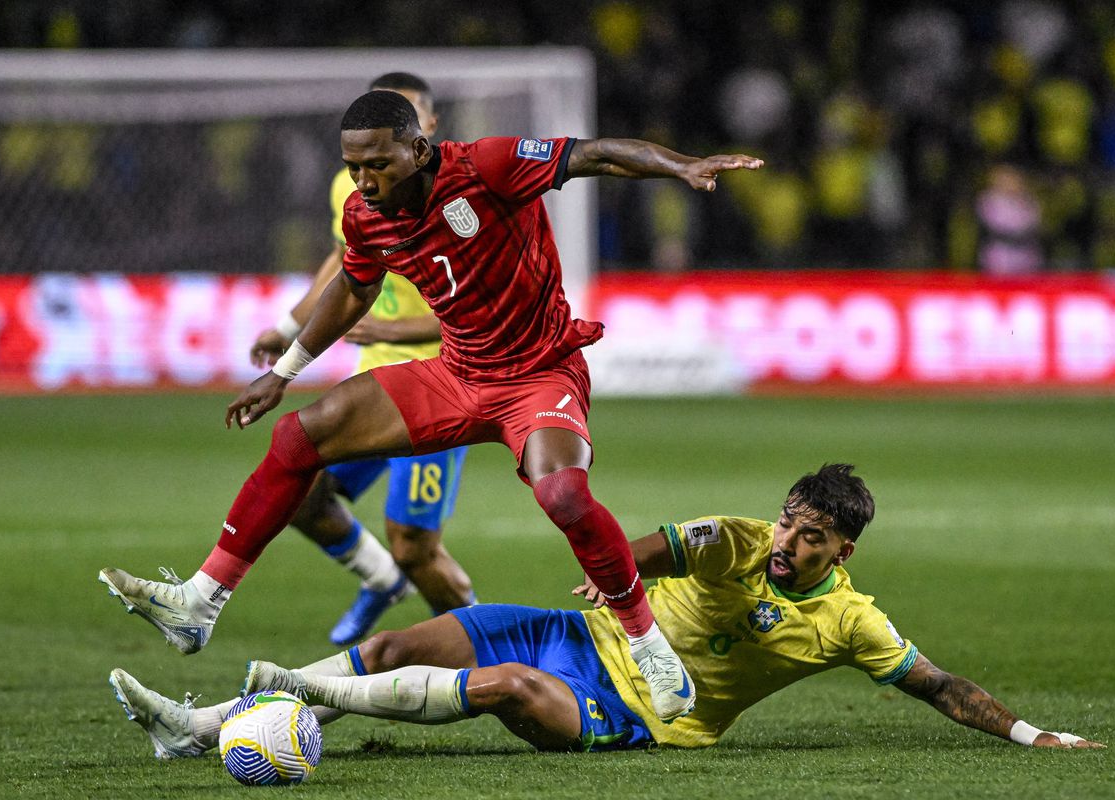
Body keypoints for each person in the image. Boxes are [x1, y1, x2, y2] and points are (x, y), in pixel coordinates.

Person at [98, 89, 765, 722]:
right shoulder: (363, 215)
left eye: (377, 163)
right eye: (353, 166)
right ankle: (200, 601)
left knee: (562, 495)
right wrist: (286, 370)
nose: (363, 179)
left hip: (538, 373)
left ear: (418, 150)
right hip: (458, 373)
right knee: (302, 436)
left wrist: (681, 166)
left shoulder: (489, 167)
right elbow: (354, 291)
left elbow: (591, 154)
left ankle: (647, 646)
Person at [108, 464, 1103, 756]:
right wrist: (618, 575)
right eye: (789, 521)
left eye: (809, 537)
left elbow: (938, 685)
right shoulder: (743, 535)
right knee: (388, 640)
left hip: (643, 712)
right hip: (577, 630)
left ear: (843, 551)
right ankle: (194, 728)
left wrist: (1029, 730)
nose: (787, 540)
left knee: (498, 689)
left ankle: (291, 696)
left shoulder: (854, 621)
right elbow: (669, 542)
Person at [248, 72, 475, 646]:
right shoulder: (353, 190)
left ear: (426, 131)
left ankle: (496, 642)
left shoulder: (462, 200)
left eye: (414, 118)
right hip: (374, 382)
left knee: (416, 548)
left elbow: (481, 306)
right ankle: (379, 578)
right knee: (301, 493)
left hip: (441, 388)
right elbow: (343, 264)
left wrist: (397, 329)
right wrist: (289, 325)